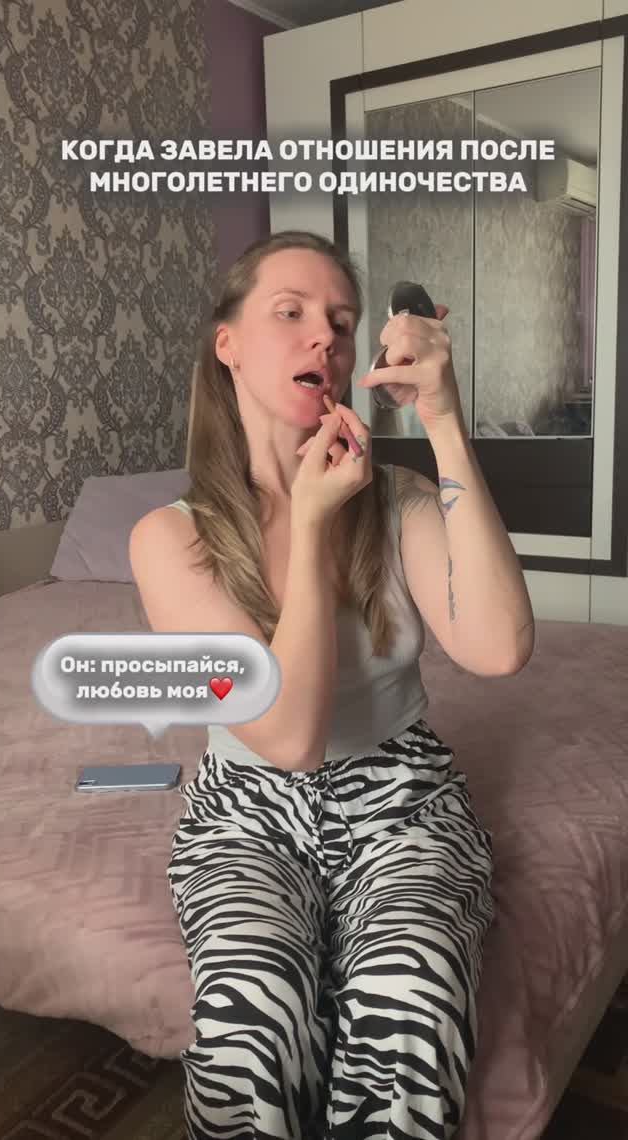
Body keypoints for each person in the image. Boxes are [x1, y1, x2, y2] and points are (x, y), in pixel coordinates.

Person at [130, 230, 534, 1140]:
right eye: (292, 313)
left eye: (342, 323)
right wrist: (309, 527)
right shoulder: (170, 538)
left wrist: (444, 421)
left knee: (410, 995)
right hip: (245, 816)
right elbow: (285, 738)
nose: (326, 336)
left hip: (405, 802)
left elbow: (501, 648)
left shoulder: (396, 501)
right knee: (251, 1015)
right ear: (227, 344)